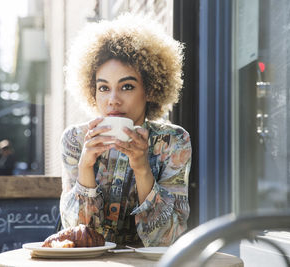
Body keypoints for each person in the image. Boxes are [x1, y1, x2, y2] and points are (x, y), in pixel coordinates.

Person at [60, 13, 192, 247]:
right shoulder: (76, 140)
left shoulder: (174, 142)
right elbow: (75, 236)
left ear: (150, 89)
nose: (113, 100)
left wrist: (142, 169)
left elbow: (168, 240)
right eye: (103, 88)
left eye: (127, 86)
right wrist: (85, 166)